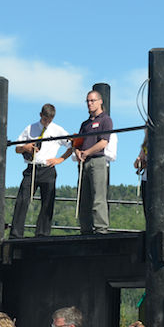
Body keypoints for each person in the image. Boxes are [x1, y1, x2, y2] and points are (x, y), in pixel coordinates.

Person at [10, 104, 71, 238]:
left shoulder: (57, 130)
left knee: (47, 202)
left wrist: (60, 159)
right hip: (32, 167)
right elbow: (17, 148)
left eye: (49, 120)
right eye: (45, 120)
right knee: (22, 200)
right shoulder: (30, 128)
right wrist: (26, 148)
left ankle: (42, 234)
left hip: (48, 168)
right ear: (40, 115)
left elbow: (72, 144)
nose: (47, 123)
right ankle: (16, 234)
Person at [70, 91, 112, 235]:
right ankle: (85, 229)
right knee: (84, 199)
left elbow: (103, 143)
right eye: (88, 101)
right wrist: (76, 150)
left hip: (97, 161)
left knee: (98, 198)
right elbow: (78, 142)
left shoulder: (106, 120)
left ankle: (101, 229)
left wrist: (87, 152)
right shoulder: (85, 124)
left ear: (100, 101)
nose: (90, 103)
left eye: (93, 100)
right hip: (83, 163)